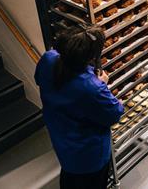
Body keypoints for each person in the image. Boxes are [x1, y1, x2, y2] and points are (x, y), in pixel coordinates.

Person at [34, 25, 124, 189]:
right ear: (89, 57)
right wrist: (102, 84)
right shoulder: (92, 87)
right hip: (89, 154)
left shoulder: (48, 59)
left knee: (70, 177)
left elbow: (40, 80)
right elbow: (114, 114)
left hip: (61, 138)